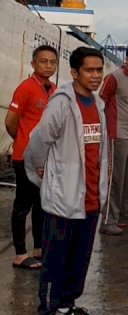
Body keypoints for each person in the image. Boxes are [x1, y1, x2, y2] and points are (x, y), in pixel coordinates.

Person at [24, 46, 108, 315]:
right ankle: (48, 308)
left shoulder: (98, 105)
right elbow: (38, 140)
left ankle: (66, 306)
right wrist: (40, 170)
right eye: (89, 70)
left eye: (99, 70)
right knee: (56, 261)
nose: (96, 76)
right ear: (74, 73)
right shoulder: (61, 104)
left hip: (91, 198)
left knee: (79, 260)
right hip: (64, 198)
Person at [5, 45, 57, 270]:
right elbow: (10, 121)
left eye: (52, 62)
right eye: (43, 61)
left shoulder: (53, 89)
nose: (48, 65)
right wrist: (22, 140)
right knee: (23, 205)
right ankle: (19, 253)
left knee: (41, 204)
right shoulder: (26, 88)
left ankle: (38, 248)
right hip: (25, 157)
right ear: (34, 64)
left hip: (44, 158)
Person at [98, 45, 128, 235]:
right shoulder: (114, 77)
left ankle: (126, 213)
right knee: (115, 179)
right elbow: (101, 101)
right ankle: (108, 218)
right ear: (127, 59)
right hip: (116, 134)